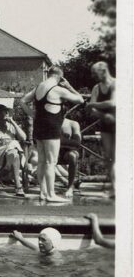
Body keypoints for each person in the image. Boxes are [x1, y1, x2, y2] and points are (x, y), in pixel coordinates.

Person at [20, 66, 84, 202]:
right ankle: (51, 194)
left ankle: (43, 193)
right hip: (51, 128)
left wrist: (32, 114)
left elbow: (22, 101)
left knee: (42, 162)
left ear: (48, 74)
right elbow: (80, 100)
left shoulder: (38, 87)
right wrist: (69, 86)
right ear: (60, 77)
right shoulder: (58, 89)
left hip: (39, 128)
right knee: (51, 162)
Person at [0, 105, 27, 197]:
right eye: (2, 112)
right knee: (14, 144)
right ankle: (18, 187)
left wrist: (13, 122)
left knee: (14, 153)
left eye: (6, 112)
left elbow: (24, 138)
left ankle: (18, 186)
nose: (5, 114)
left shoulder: (11, 126)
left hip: (9, 153)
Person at [86, 61, 115, 198]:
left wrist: (94, 103)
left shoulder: (115, 84)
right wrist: (104, 115)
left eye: (95, 73)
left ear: (103, 71)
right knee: (109, 157)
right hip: (106, 124)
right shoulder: (96, 88)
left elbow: (113, 102)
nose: (92, 76)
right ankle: (114, 188)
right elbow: (91, 111)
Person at [58, 118, 82, 197]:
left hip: (67, 152)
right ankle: (45, 189)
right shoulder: (49, 121)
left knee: (73, 156)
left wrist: (59, 140)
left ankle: (70, 187)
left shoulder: (72, 123)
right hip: (53, 151)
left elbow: (77, 143)